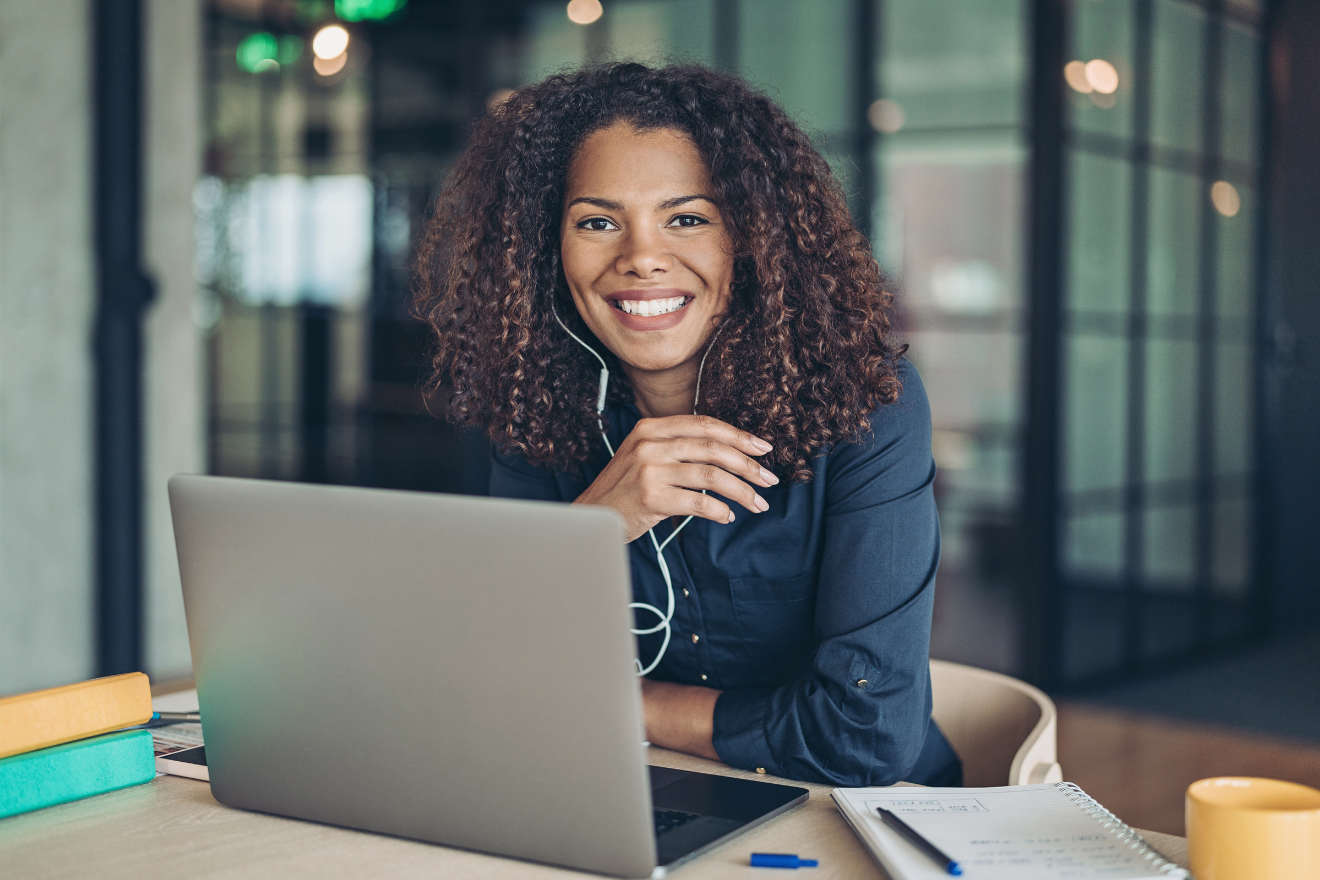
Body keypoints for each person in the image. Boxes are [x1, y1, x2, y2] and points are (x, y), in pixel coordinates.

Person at [414, 62, 961, 787]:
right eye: (598, 222)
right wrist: (596, 528)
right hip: (623, 794)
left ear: (752, 239)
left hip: (856, 813)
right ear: (549, 249)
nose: (641, 258)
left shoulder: (867, 406)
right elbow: (492, 675)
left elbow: (866, 735)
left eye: (687, 218)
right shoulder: (535, 406)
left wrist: (625, 704)